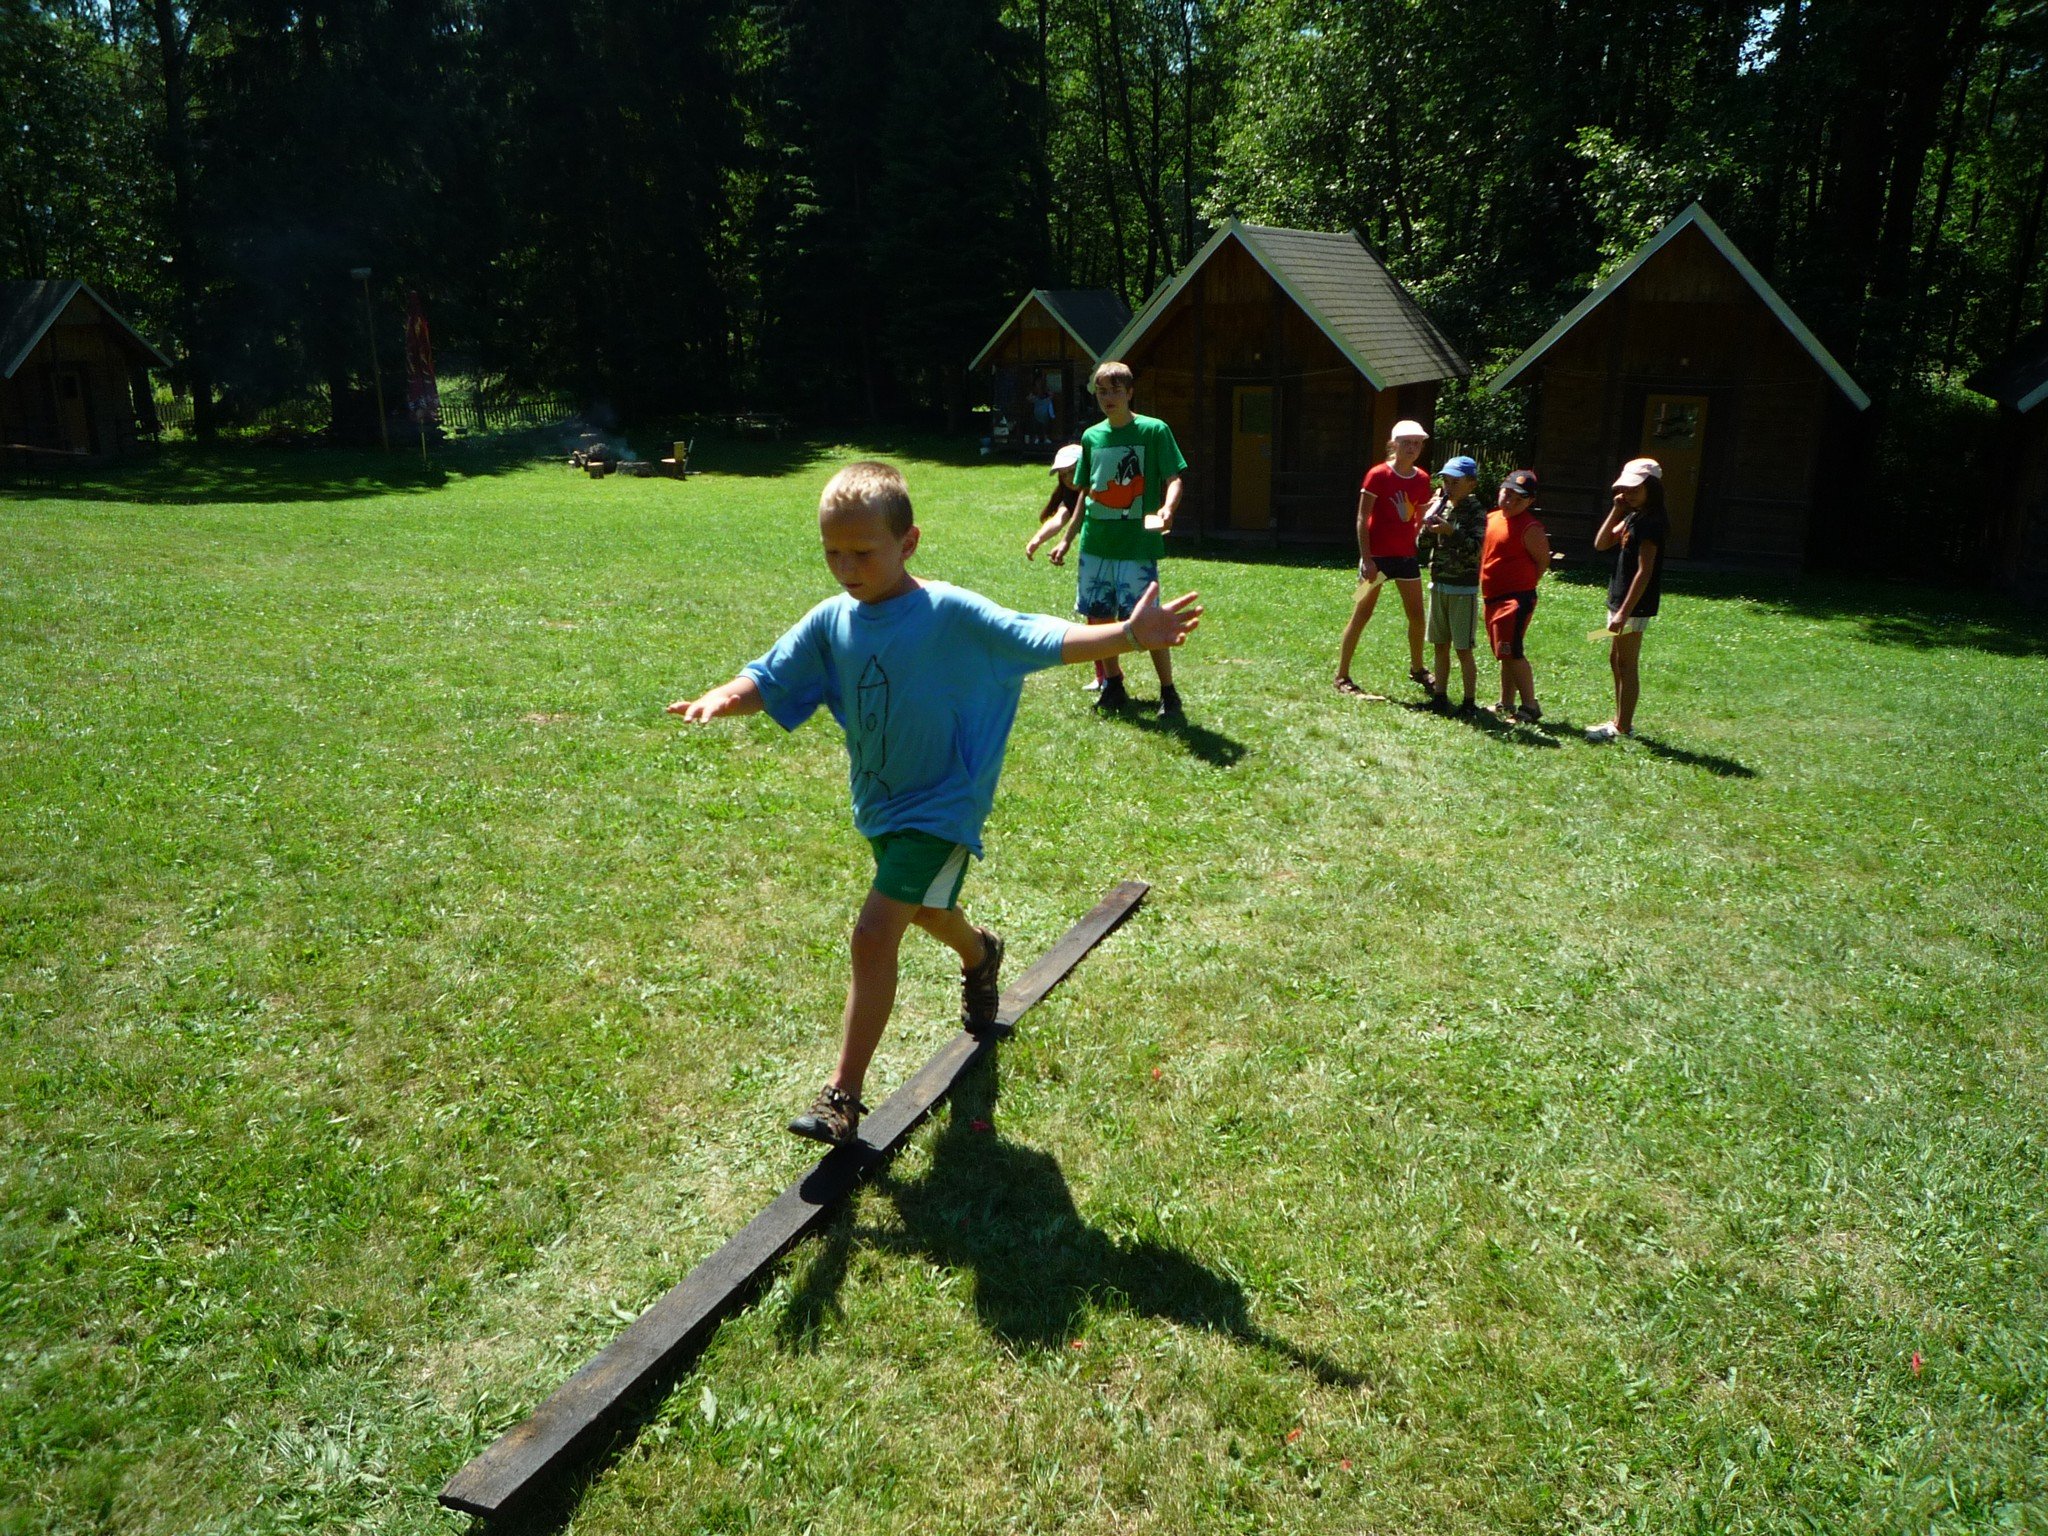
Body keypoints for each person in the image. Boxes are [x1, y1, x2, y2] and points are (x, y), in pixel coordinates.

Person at [669, 461, 1201, 1147]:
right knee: (926, 911)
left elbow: (1038, 637)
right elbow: (771, 677)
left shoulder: (948, 613)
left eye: (863, 552)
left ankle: (841, 1096)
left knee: (874, 934)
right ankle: (980, 953)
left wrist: (1127, 635)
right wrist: (725, 697)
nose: (846, 568)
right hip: (881, 805)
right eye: (832, 552)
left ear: (909, 542)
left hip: (943, 805)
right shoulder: (832, 621)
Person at [1044, 360, 1190, 718]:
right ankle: (1113, 685)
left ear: (1130, 392)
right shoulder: (1092, 437)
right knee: (1098, 617)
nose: (1107, 398)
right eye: (1101, 391)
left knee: (1149, 620)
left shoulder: (1154, 430)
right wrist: (1067, 539)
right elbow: (1087, 492)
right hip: (1096, 546)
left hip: (1137, 546)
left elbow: (1173, 478)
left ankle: (1168, 692)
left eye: (1114, 390)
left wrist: (1168, 507)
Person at [1335, 420, 1433, 697]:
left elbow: (1420, 517)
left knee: (1417, 616)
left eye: (1417, 443)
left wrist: (1420, 525)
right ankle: (1341, 676)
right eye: (1407, 443)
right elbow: (1362, 518)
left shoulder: (1422, 479)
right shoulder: (1377, 474)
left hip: (1406, 559)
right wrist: (1366, 559)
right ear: (1394, 445)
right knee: (1361, 613)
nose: (1412, 448)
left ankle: (1418, 669)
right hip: (1375, 559)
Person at [1587, 457, 1666, 743]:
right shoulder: (1635, 516)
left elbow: (1645, 572)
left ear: (1651, 488)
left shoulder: (1652, 523)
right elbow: (1601, 543)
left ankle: (1623, 726)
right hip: (1621, 601)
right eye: (1625, 489)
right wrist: (1617, 509)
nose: (1628, 494)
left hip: (1634, 605)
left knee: (1627, 664)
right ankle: (1619, 721)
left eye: (1635, 489)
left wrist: (1623, 613)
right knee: (1616, 659)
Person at [1025, 444, 1106, 692]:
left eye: (1073, 471)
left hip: (1111, 552)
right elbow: (1060, 519)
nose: (1069, 478)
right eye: (1063, 474)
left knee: (1106, 616)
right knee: (1094, 616)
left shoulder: (1099, 487)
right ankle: (1103, 675)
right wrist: (1037, 540)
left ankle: (1109, 675)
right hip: (1092, 558)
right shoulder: (1070, 496)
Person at [1414, 453, 1486, 711]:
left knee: (1463, 649)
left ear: (1471, 483)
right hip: (1440, 583)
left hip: (1462, 587)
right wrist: (1427, 521)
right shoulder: (1442, 506)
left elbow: (1476, 548)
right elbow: (1421, 545)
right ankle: (1440, 697)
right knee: (1440, 645)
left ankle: (1469, 703)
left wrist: (1450, 532)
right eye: (1446, 481)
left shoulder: (1476, 511)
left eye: (1456, 482)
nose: (1449, 487)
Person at [1479, 468, 1551, 723]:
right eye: (1507, 493)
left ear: (1530, 502)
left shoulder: (1530, 528)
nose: (1509, 501)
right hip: (1492, 597)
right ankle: (1506, 702)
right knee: (1503, 651)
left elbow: (1542, 561)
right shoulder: (1492, 518)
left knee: (1512, 651)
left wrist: (1524, 587)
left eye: (1518, 498)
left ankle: (1530, 706)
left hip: (1515, 600)